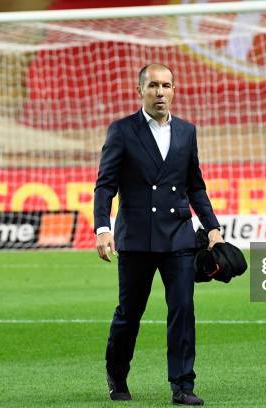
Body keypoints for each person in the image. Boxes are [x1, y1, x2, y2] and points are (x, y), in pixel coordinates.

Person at [94, 63, 223, 405]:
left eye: (166, 85)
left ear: (174, 90)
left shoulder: (186, 131)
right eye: (153, 85)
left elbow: (196, 186)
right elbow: (105, 185)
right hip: (135, 238)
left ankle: (183, 385)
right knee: (129, 312)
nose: (160, 92)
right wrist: (103, 228)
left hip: (178, 237)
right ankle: (117, 375)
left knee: (182, 309)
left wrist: (213, 228)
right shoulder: (121, 131)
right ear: (141, 90)